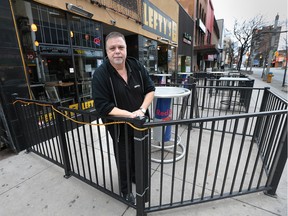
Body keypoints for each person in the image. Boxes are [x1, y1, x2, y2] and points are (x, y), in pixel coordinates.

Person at [92, 32, 155, 204]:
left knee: (139, 154)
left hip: (140, 124)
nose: (117, 51)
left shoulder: (136, 65)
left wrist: (141, 110)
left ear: (126, 49)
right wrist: (131, 115)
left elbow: (150, 89)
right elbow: (103, 106)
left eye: (121, 47)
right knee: (124, 158)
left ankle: (136, 177)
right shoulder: (100, 74)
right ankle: (126, 190)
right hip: (119, 127)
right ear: (106, 51)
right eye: (112, 48)